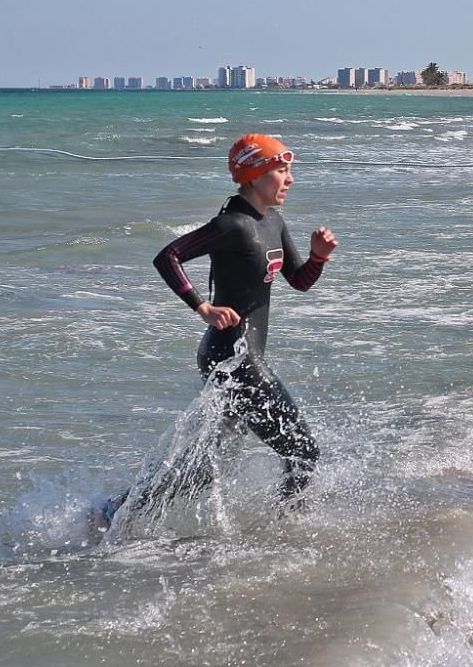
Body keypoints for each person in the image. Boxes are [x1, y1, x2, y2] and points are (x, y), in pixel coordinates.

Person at [92, 134, 337, 534]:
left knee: (210, 465)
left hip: (242, 357)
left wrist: (318, 258)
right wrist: (202, 307)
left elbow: (298, 281)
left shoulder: (272, 221)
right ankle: (289, 534)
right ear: (254, 175)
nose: (290, 179)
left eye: (289, 169)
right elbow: (168, 256)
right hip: (233, 358)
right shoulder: (232, 225)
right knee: (304, 452)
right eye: (281, 170)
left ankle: (114, 511)